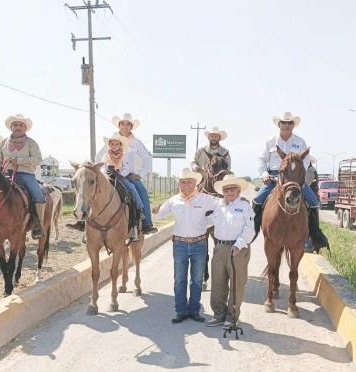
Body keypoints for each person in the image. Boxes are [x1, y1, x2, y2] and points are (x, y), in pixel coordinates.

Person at [252, 112, 329, 251]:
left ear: (293, 125)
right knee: (257, 200)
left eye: (290, 123)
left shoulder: (300, 142)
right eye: (284, 122)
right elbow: (261, 159)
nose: (287, 125)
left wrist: (298, 174)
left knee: (314, 202)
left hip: (295, 178)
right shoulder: (270, 141)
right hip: (274, 177)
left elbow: (305, 160)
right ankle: (252, 230)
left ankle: (313, 235)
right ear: (279, 124)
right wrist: (264, 174)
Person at [152, 168, 218, 323]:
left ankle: (194, 310)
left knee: (196, 280)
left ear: (195, 183)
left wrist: (209, 222)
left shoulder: (205, 199)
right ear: (179, 184)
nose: (186, 185)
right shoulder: (174, 200)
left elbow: (220, 208)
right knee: (180, 279)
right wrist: (156, 211)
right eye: (182, 182)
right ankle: (181, 311)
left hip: (199, 244)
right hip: (180, 244)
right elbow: (160, 214)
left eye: (189, 182)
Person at [91, 113, 158, 234]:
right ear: (119, 125)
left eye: (128, 124)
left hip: (129, 174)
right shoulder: (113, 141)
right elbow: (98, 156)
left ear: (131, 127)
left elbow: (146, 159)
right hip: (110, 173)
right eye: (122, 124)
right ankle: (86, 220)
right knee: (91, 189)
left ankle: (147, 222)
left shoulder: (136, 142)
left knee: (141, 190)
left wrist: (140, 175)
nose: (125, 126)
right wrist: (102, 172)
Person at [204, 175, 254, 328]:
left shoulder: (245, 206)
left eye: (232, 189)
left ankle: (232, 318)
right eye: (226, 189)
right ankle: (219, 315)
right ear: (222, 192)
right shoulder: (218, 205)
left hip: (237, 249)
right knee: (218, 283)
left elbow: (249, 229)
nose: (229, 192)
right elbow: (207, 221)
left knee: (236, 284)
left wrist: (239, 245)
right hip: (219, 248)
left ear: (238, 190)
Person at [0, 114, 46, 239]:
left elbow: (38, 159)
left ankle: (38, 224)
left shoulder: (31, 143)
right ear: (11, 127)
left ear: (25, 128)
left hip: (26, 174)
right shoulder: (3, 142)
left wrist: (19, 161)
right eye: (15, 125)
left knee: (38, 195)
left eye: (21, 125)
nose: (18, 127)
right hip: (6, 174)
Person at [98, 133, 143, 241]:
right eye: (112, 144)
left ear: (120, 145)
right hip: (108, 177)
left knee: (131, 187)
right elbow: (103, 167)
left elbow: (126, 168)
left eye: (116, 144)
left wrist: (120, 173)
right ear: (109, 145)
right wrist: (106, 173)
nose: (114, 146)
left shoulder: (124, 155)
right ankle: (85, 222)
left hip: (120, 177)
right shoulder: (106, 156)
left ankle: (139, 208)